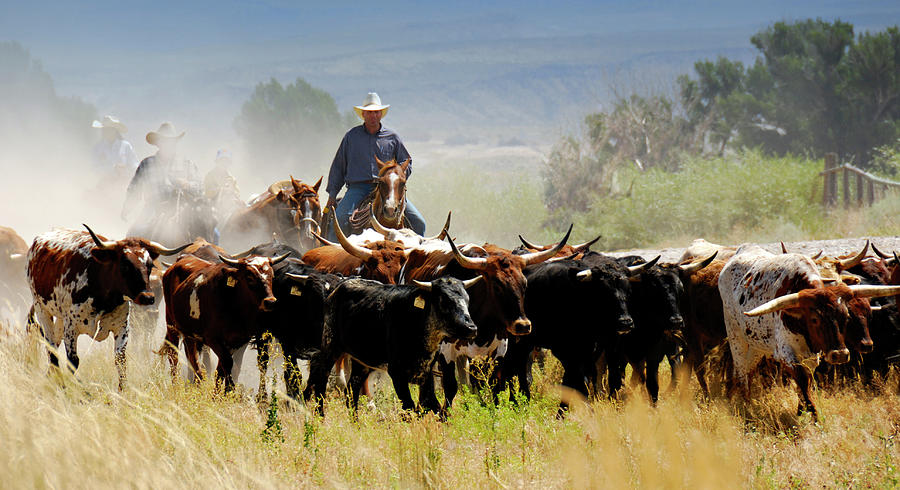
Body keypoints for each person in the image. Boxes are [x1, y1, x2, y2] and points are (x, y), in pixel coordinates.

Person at [325, 92, 426, 240]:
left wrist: (396, 178)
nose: (373, 116)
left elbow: (407, 161)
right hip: (358, 188)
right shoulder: (351, 137)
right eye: (370, 113)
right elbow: (339, 166)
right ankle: (331, 257)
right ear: (363, 114)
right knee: (339, 220)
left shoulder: (392, 137)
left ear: (381, 114)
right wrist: (332, 194)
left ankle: (418, 259)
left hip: (387, 188)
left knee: (419, 222)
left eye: (376, 112)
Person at [122, 122, 202, 239]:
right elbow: (134, 189)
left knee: (210, 232)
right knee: (133, 234)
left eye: (171, 141)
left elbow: (200, 187)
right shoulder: (147, 164)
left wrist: (187, 184)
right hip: (153, 208)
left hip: (182, 209)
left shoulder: (186, 164)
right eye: (164, 141)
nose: (168, 144)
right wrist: (128, 207)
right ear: (158, 143)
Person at [204, 149, 243, 225]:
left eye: (226, 161)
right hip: (213, 207)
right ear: (217, 162)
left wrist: (232, 192)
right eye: (222, 161)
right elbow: (207, 192)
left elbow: (237, 193)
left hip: (230, 206)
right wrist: (220, 190)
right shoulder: (210, 176)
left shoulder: (231, 178)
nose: (224, 163)